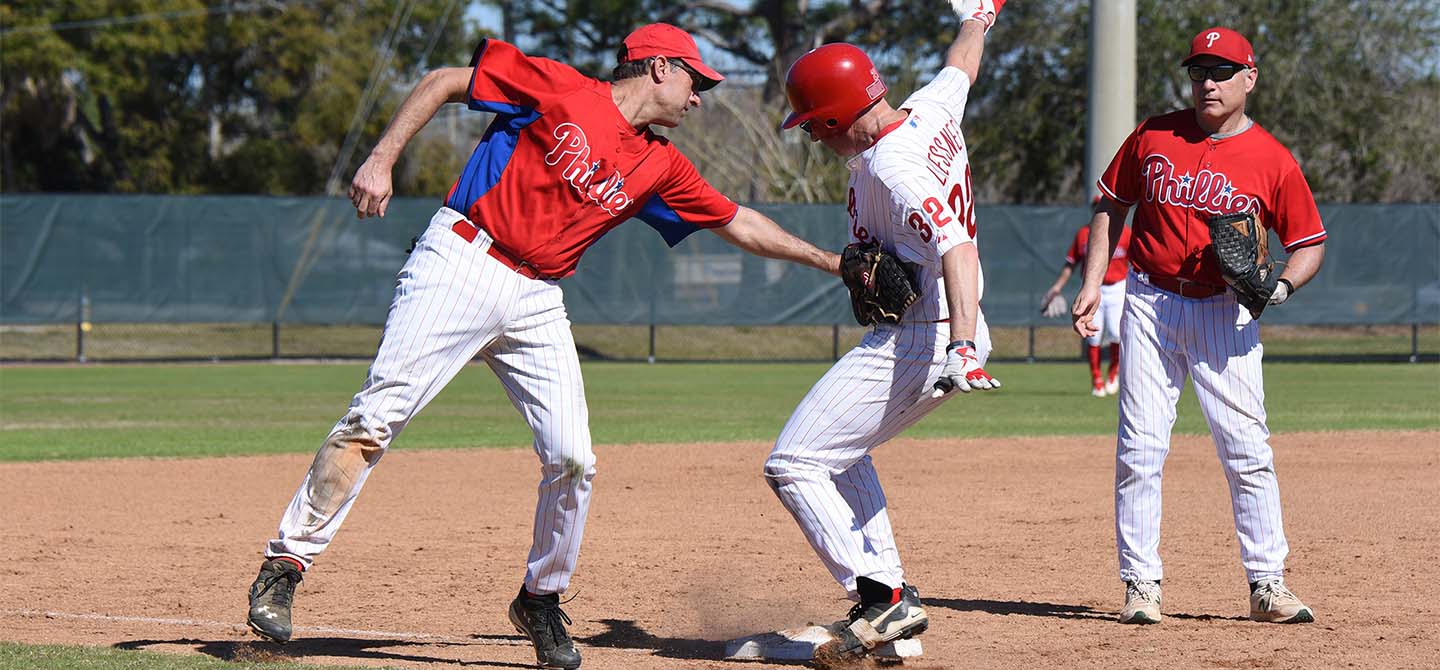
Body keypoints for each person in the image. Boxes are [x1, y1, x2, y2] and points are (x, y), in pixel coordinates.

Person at [244, 23, 840, 669]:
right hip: (463, 258)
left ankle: (540, 597)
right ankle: (285, 564)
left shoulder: (660, 163)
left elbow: (739, 222)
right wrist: (382, 156)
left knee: (574, 458)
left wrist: (833, 262)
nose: (700, 98)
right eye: (697, 80)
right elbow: (445, 80)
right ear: (661, 67)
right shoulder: (560, 88)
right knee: (374, 418)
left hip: (539, 297)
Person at [765, 0, 1004, 662]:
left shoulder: (890, 165)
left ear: (841, 115)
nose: (813, 136)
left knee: (792, 462)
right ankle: (890, 600)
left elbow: (957, 246)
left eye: (815, 124)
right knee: (840, 452)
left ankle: (882, 597)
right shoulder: (929, 111)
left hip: (929, 335)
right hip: (935, 328)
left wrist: (957, 346)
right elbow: (961, 67)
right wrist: (979, 18)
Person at [1072, 26, 1326, 626]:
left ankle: (1268, 584)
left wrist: (1282, 286)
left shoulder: (1272, 159)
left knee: (1246, 449)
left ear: (1249, 78)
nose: (1207, 83)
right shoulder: (1154, 134)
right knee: (1140, 448)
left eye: (1220, 72)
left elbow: (1309, 243)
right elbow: (1111, 203)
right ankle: (1141, 585)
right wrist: (1090, 281)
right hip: (1149, 301)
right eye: (1198, 72)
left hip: (1224, 309)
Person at [1040, 203, 1131, 396]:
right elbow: (1070, 265)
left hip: (1118, 287)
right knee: (1093, 336)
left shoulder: (1126, 233)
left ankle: (1113, 372)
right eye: (1098, 207)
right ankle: (1096, 379)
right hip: (1092, 288)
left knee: (1116, 333)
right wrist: (1057, 288)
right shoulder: (1083, 234)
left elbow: (1135, 263)